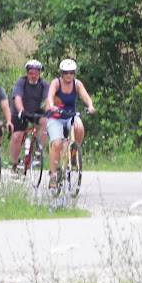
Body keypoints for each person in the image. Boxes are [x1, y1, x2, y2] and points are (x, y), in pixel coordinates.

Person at [46, 59, 95, 189]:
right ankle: (53, 175)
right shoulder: (56, 83)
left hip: (70, 116)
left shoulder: (77, 84)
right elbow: (50, 96)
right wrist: (51, 105)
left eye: (71, 73)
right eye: (66, 73)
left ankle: (73, 153)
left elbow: (85, 96)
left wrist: (90, 106)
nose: (69, 75)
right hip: (55, 117)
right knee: (56, 143)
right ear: (62, 73)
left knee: (79, 127)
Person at [9, 59, 50, 172]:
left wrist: (48, 111)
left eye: (36, 74)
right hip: (19, 111)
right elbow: (17, 98)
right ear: (27, 74)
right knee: (18, 136)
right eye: (31, 73)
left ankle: (37, 150)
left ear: (39, 74)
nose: (33, 76)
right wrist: (22, 111)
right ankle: (14, 163)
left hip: (34, 111)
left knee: (48, 122)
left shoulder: (44, 84)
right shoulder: (21, 82)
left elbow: (48, 99)